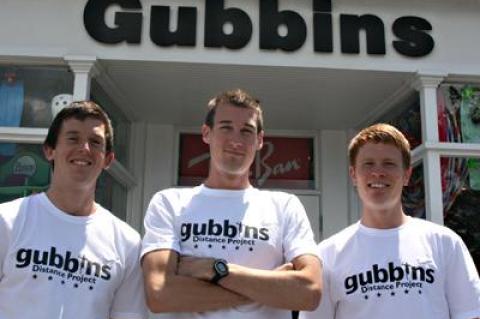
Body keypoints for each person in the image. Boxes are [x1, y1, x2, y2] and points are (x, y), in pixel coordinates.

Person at [141, 89, 322, 318]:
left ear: (259, 141)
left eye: (247, 131)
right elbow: (160, 294)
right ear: (207, 133)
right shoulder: (169, 203)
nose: (236, 140)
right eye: (226, 127)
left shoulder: (285, 206)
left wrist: (213, 269)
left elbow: (310, 292)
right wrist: (269, 287)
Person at [301, 123, 480, 319]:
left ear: (406, 175)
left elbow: (469, 314)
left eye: (389, 163)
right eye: (368, 164)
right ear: (353, 175)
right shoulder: (329, 254)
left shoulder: (444, 243)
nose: (378, 172)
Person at [0, 101, 147, 319]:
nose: (84, 149)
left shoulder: (127, 243)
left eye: (95, 142)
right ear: (50, 150)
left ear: (108, 159)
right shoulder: (7, 220)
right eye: (73, 138)